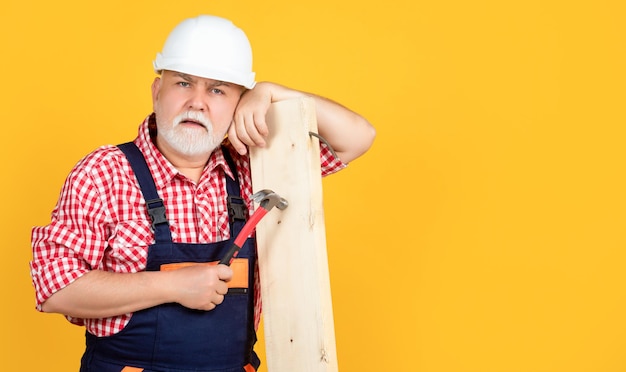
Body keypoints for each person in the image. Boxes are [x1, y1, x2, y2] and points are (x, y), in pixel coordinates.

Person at [30, 14, 375, 372]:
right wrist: (172, 285)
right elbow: (57, 290)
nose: (197, 102)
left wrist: (274, 93)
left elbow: (357, 137)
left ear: (238, 104)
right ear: (156, 91)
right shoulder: (104, 173)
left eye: (218, 89)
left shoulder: (255, 169)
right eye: (183, 83)